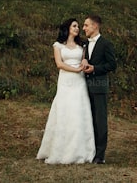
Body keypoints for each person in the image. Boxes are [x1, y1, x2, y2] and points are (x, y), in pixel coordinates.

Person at [36, 18, 96, 164]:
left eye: (78, 26)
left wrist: (84, 63)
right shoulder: (58, 45)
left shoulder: (82, 45)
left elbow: (84, 60)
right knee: (64, 110)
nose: (78, 28)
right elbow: (59, 64)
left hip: (79, 81)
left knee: (79, 111)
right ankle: (59, 149)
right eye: (74, 26)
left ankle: (81, 150)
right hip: (65, 80)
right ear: (68, 28)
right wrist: (75, 69)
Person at [82, 14, 117, 165]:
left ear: (95, 26)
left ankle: (100, 155)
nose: (84, 28)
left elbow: (112, 65)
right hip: (84, 88)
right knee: (88, 120)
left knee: (100, 121)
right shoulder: (84, 44)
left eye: (86, 25)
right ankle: (89, 150)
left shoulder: (106, 44)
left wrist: (94, 68)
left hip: (99, 87)